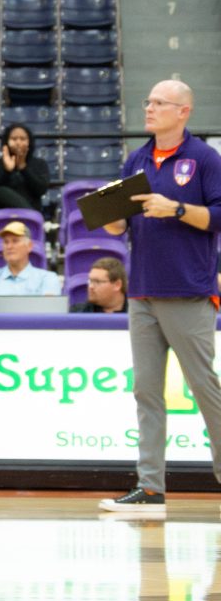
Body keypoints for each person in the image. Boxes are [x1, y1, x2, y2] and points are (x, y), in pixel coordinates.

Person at [99, 80, 221, 514]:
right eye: (147, 101)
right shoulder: (138, 158)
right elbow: (122, 224)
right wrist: (109, 216)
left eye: (158, 103)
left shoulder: (205, 159)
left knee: (205, 390)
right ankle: (150, 488)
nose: (148, 108)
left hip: (189, 292)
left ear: (183, 111)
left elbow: (220, 216)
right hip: (143, 292)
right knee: (146, 391)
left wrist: (179, 209)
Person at [0, 123, 50, 213]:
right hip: (0, 216)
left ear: (29, 142)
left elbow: (41, 190)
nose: (18, 142)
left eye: (23, 139)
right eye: (14, 139)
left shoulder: (39, 164)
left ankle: (29, 214)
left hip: (29, 219)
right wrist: (6, 171)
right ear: (6, 142)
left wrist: (23, 168)